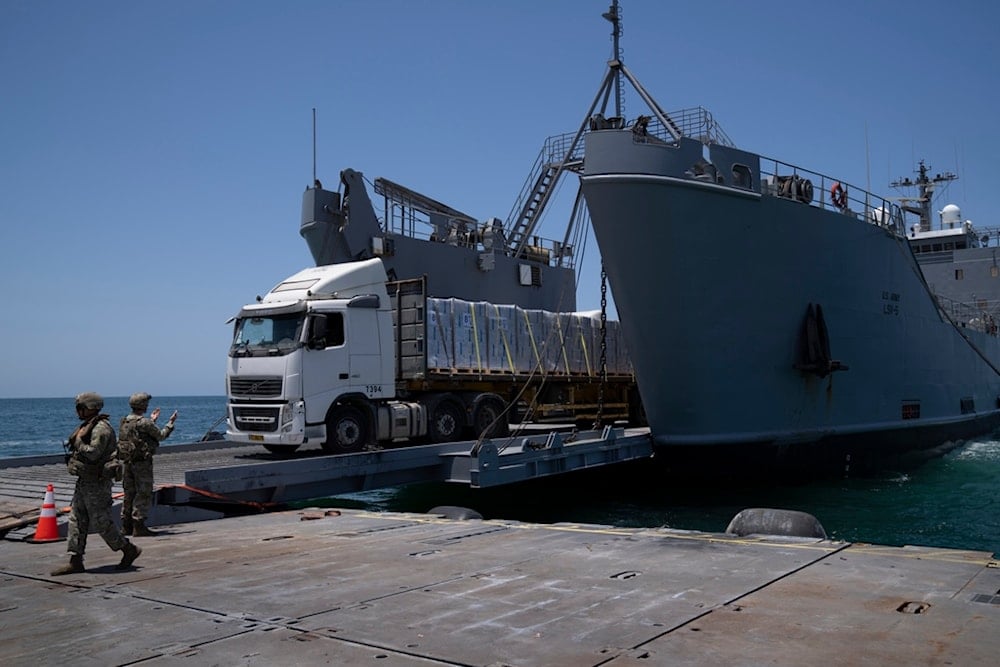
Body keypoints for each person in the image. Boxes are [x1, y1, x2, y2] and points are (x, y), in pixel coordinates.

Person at [51, 392, 141, 576]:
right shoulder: (88, 426)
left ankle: (128, 548)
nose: (78, 411)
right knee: (76, 520)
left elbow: (93, 453)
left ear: (89, 408)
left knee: (101, 522)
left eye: (80, 408)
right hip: (85, 481)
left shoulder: (101, 429)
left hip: (97, 483)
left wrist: (78, 444)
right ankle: (75, 560)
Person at [118, 392, 177, 536]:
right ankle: (139, 525)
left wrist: (152, 420)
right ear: (143, 406)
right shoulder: (144, 422)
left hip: (126, 462)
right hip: (142, 463)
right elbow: (161, 435)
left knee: (129, 493)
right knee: (143, 493)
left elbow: (138, 435)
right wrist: (170, 423)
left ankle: (126, 526)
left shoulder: (125, 420)